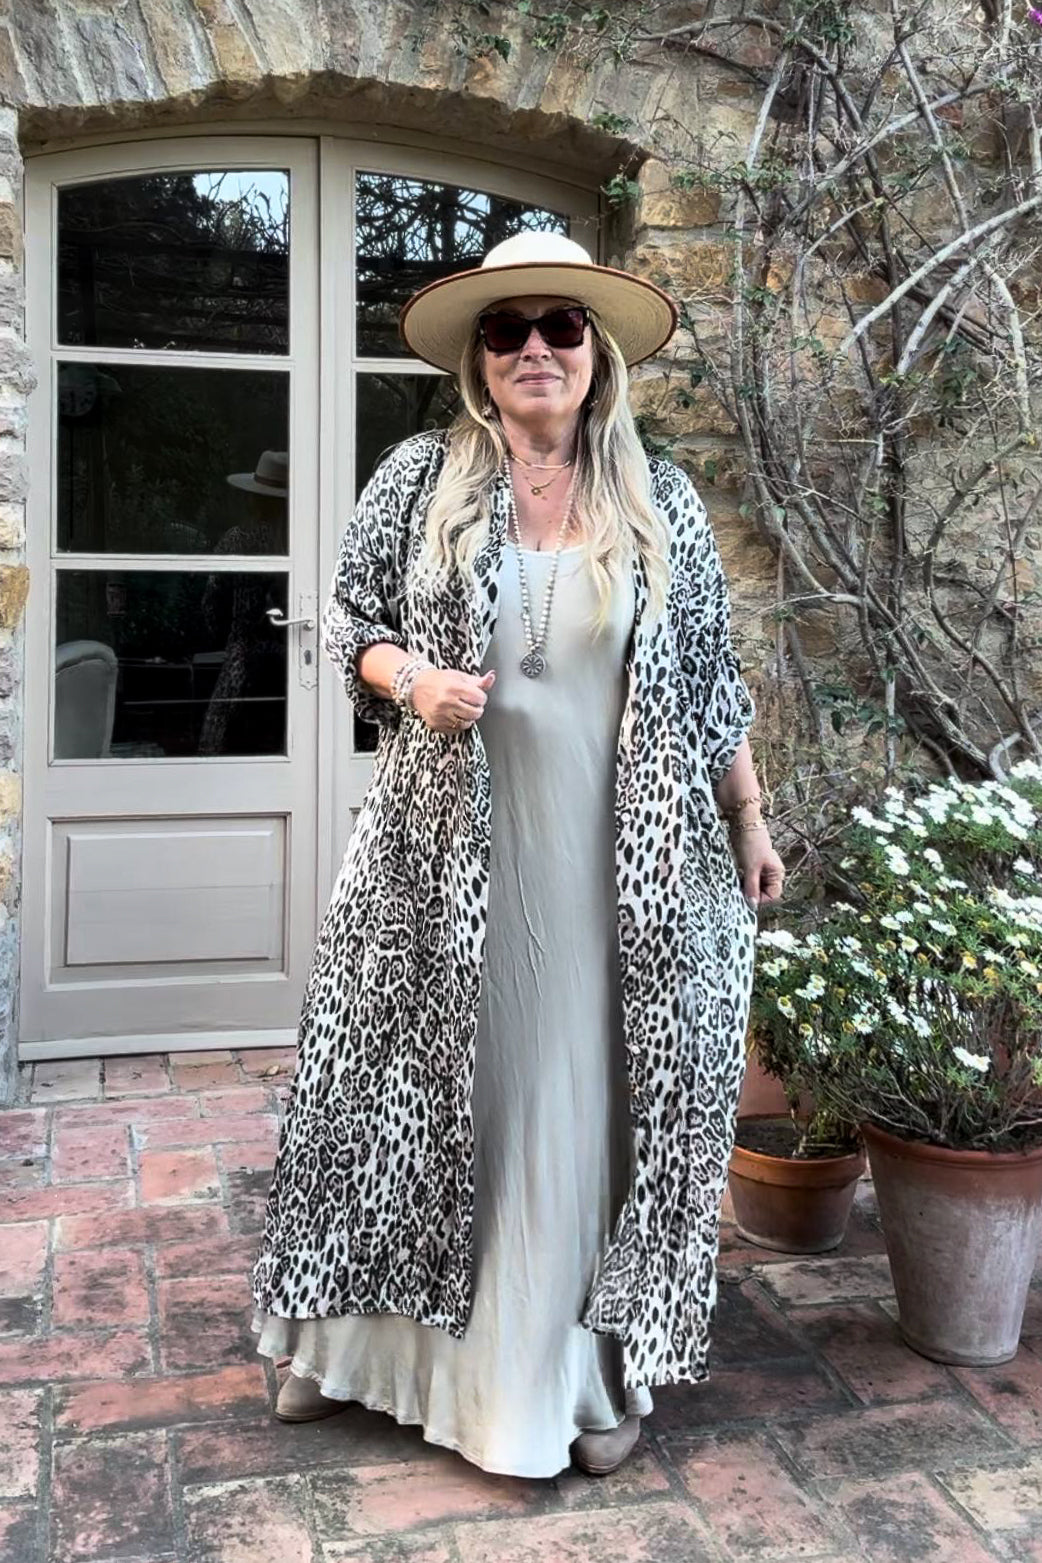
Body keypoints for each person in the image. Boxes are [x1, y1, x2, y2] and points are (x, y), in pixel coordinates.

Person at [251, 231, 785, 1480]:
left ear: (596, 354)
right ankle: (350, 1352)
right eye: (507, 329)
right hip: (435, 855)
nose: (534, 347)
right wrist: (411, 680)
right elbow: (349, 620)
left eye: (560, 326)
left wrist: (748, 820)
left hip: (609, 869)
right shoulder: (419, 477)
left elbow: (709, 681)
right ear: (479, 359)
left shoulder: (658, 501)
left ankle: (576, 1379)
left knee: (572, 1105)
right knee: (393, 1089)